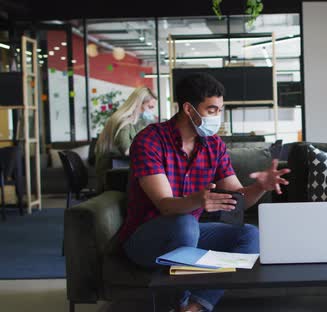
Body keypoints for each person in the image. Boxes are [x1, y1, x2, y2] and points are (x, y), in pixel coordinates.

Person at [118, 73, 290, 312]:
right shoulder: (150, 141)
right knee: (184, 223)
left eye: (220, 110)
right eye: (211, 110)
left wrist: (261, 186)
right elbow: (165, 206)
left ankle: (196, 306)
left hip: (191, 233)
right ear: (189, 109)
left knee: (249, 235)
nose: (217, 117)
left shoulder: (214, 145)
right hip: (145, 238)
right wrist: (198, 199)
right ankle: (177, 303)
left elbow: (237, 201)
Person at [94, 87, 158, 192]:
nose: (151, 111)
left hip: (115, 169)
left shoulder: (130, 121)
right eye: (150, 107)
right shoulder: (123, 121)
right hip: (111, 173)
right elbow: (127, 150)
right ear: (139, 104)